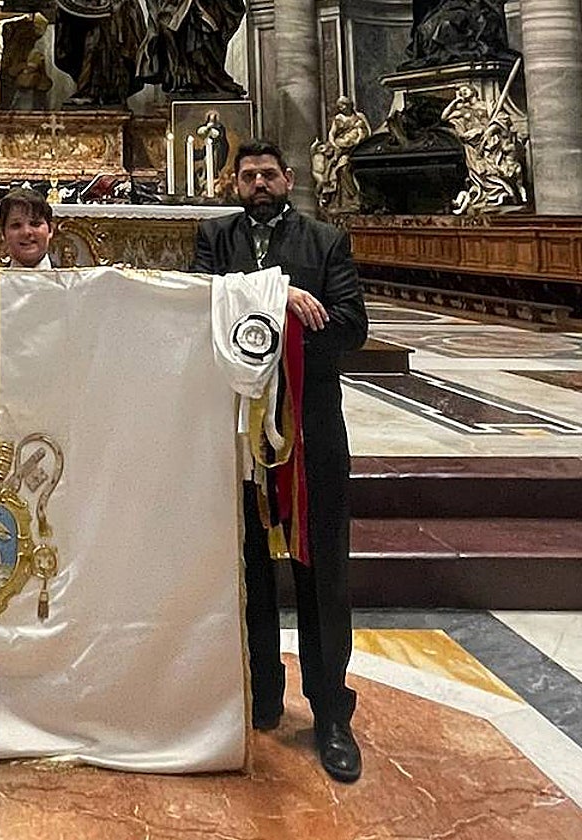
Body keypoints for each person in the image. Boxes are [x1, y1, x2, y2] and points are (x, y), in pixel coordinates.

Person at [191, 139, 368, 783]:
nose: (259, 183)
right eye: (248, 175)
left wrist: (284, 301)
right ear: (232, 183)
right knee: (247, 567)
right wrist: (279, 296)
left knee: (322, 566)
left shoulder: (326, 240)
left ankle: (330, 710)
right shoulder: (215, 238)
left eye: (269, 174)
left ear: (288, 179)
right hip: (236, 433)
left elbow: (351, 326)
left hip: (311, 428)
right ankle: (261, 692)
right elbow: (201, 305)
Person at [0, 188, 53, 268]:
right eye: (16, 225)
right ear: (3, 233)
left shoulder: (71, 279)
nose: (26, 232)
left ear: (50, 230)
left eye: (35, 224)